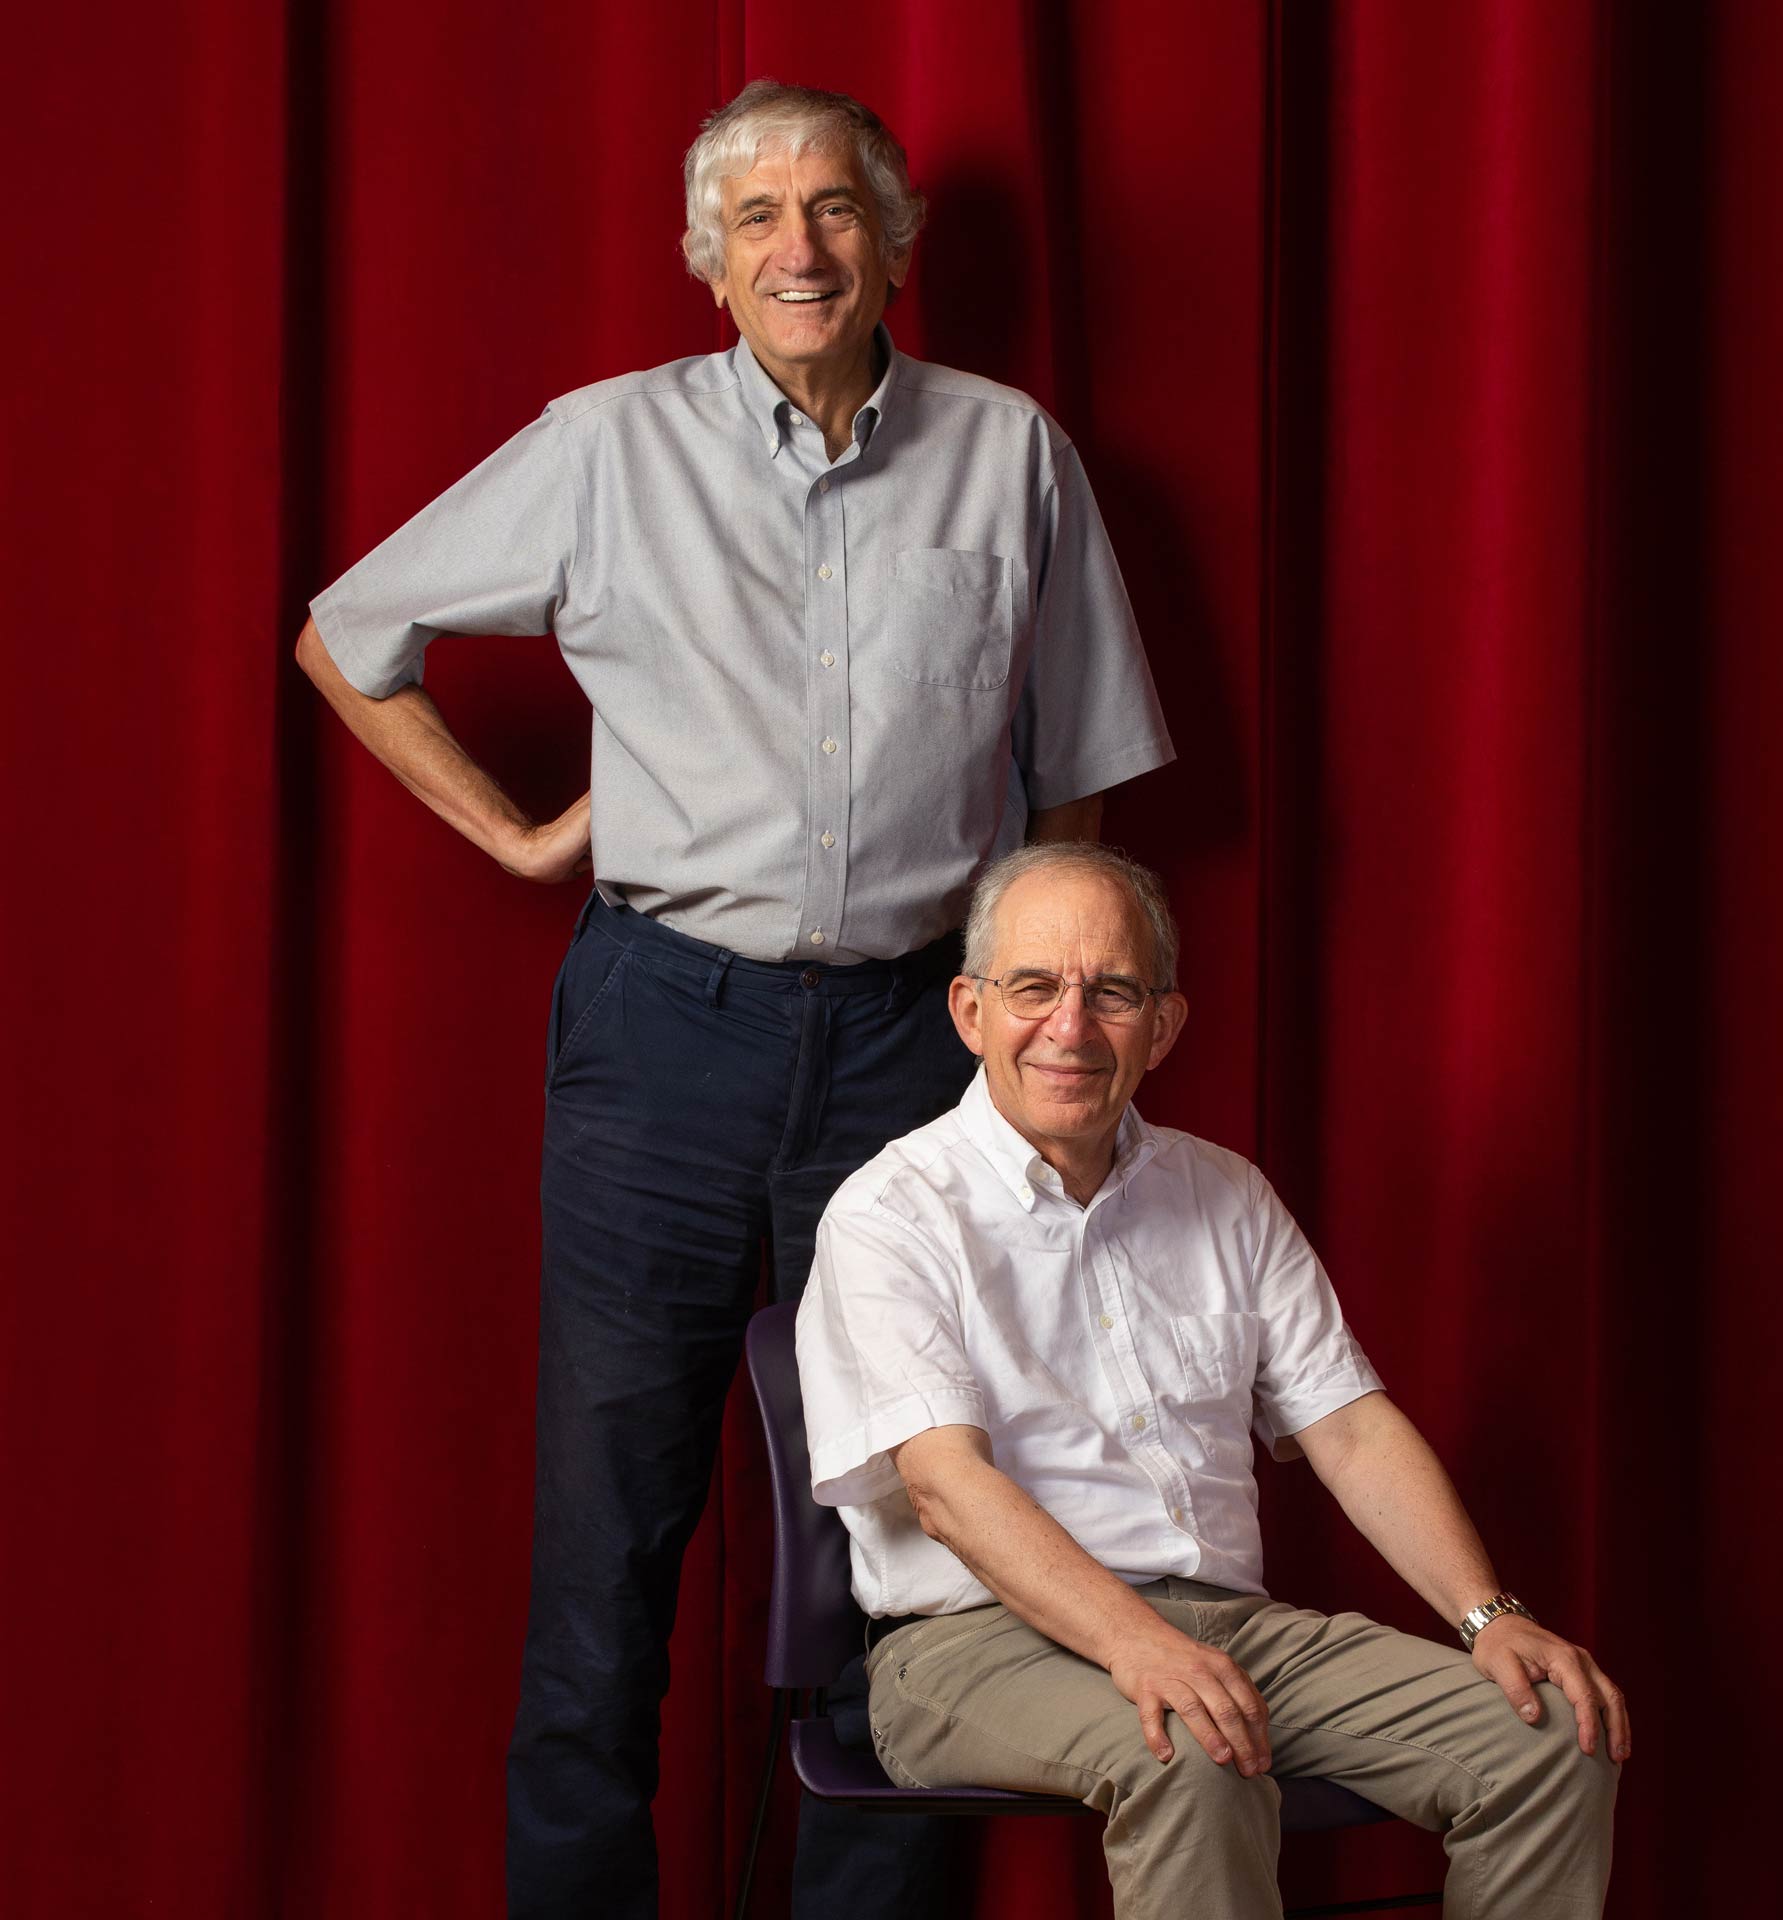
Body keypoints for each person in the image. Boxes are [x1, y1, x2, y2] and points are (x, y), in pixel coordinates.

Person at [293, 81, 1172, 1920]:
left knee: (909, 1538)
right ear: (711, 263)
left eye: (836, 208)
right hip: (661, 1036)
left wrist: (1015, 1007)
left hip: (912, 1050)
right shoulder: (607, 450)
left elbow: (1075, 771)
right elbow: (345, 635)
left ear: (895, 243)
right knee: (609, 1545)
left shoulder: (1010, 454)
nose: (799, 245)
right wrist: (526, 839)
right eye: (758, 216)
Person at [796, 843, 1626, 1919]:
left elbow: (1353, 1431)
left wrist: (1489, 1614)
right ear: (969, 1011)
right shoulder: (892, 1213)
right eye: (1034, 987)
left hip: (1230, 1630)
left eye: (1114, 993)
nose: (1071, 1026)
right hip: (969, 1645)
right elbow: (948, 1490)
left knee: (1553, 1735)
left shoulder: (1226, 1194)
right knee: (1193, 1744)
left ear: (1164, 1026)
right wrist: (1137, 1645)